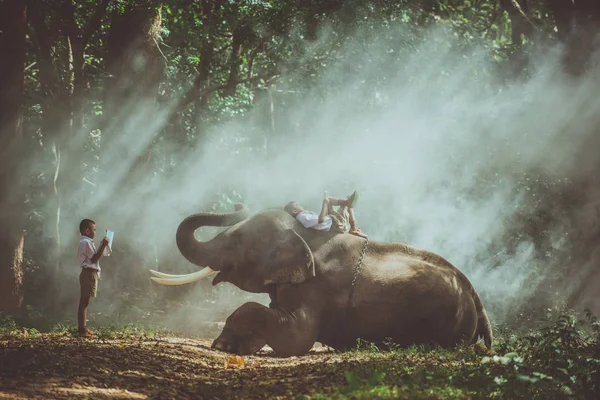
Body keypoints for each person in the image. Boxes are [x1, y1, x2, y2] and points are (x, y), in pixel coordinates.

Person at [284, 190, 368, 238]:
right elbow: (320, 220)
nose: (300, 205)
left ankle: (347, 202)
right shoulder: (303, 217)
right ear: (294, 211)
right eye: (298, 205)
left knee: (331, 200)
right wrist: (324, 204)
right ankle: (353, 228)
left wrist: (327, 205)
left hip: (332, 219)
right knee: (347, 206)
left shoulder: (303, 215)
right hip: (335, 223)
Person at [77, 219, 110, 338]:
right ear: (87, 230)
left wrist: (102, 246)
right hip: (88, 273)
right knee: (84, 301)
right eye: (94, 230)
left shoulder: (87, 242)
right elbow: (94, 258)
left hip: (89, 273)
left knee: (85, 301)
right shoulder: (86, 242)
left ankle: (83, 328)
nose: (95, 232)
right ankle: (81, 330)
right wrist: (103, 245)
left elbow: (95, 256)